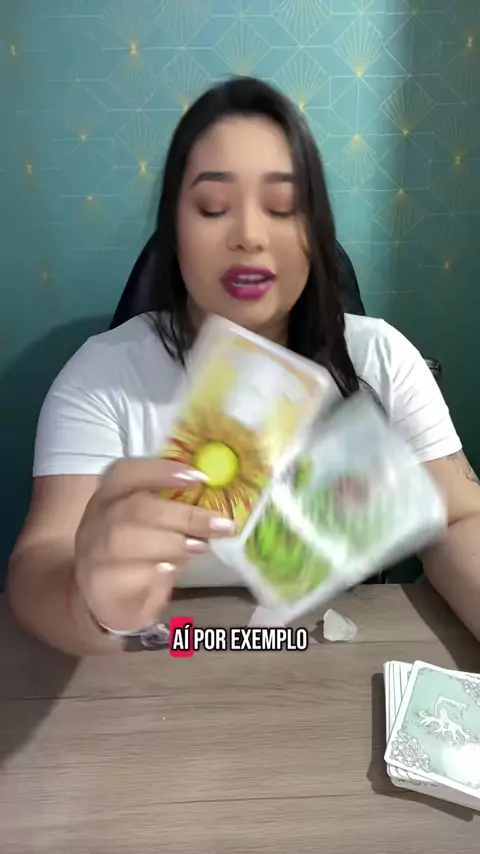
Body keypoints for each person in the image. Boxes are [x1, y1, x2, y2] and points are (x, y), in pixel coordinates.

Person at [8, 77, 480, 656]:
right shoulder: (102, 378)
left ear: (316, 232)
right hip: (155, 669)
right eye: (212, 208)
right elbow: (38, 563)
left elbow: (461, 519)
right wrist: (86, 597)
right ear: (173, 231)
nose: (250, 236)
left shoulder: (381, 359)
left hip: (328, 664)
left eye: (282, 207)